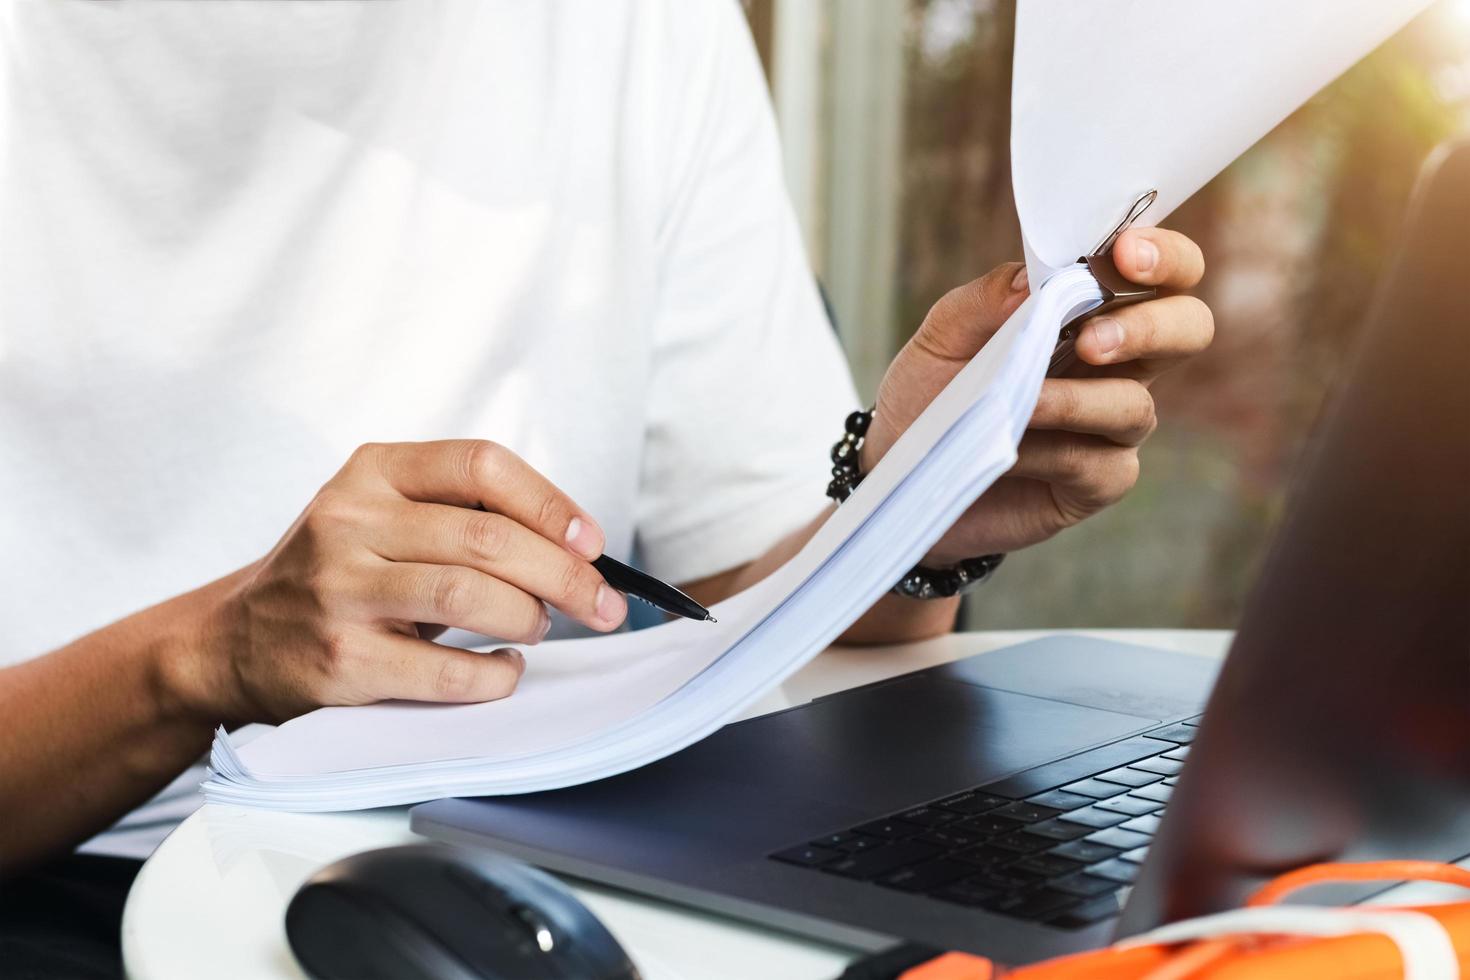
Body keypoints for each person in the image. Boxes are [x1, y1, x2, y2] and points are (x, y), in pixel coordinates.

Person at [0, 2, 1210, 975]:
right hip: (74, 891)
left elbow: (743, 597)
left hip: (538, 854)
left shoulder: (638, 27)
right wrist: (196, 658)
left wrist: (909, 508)